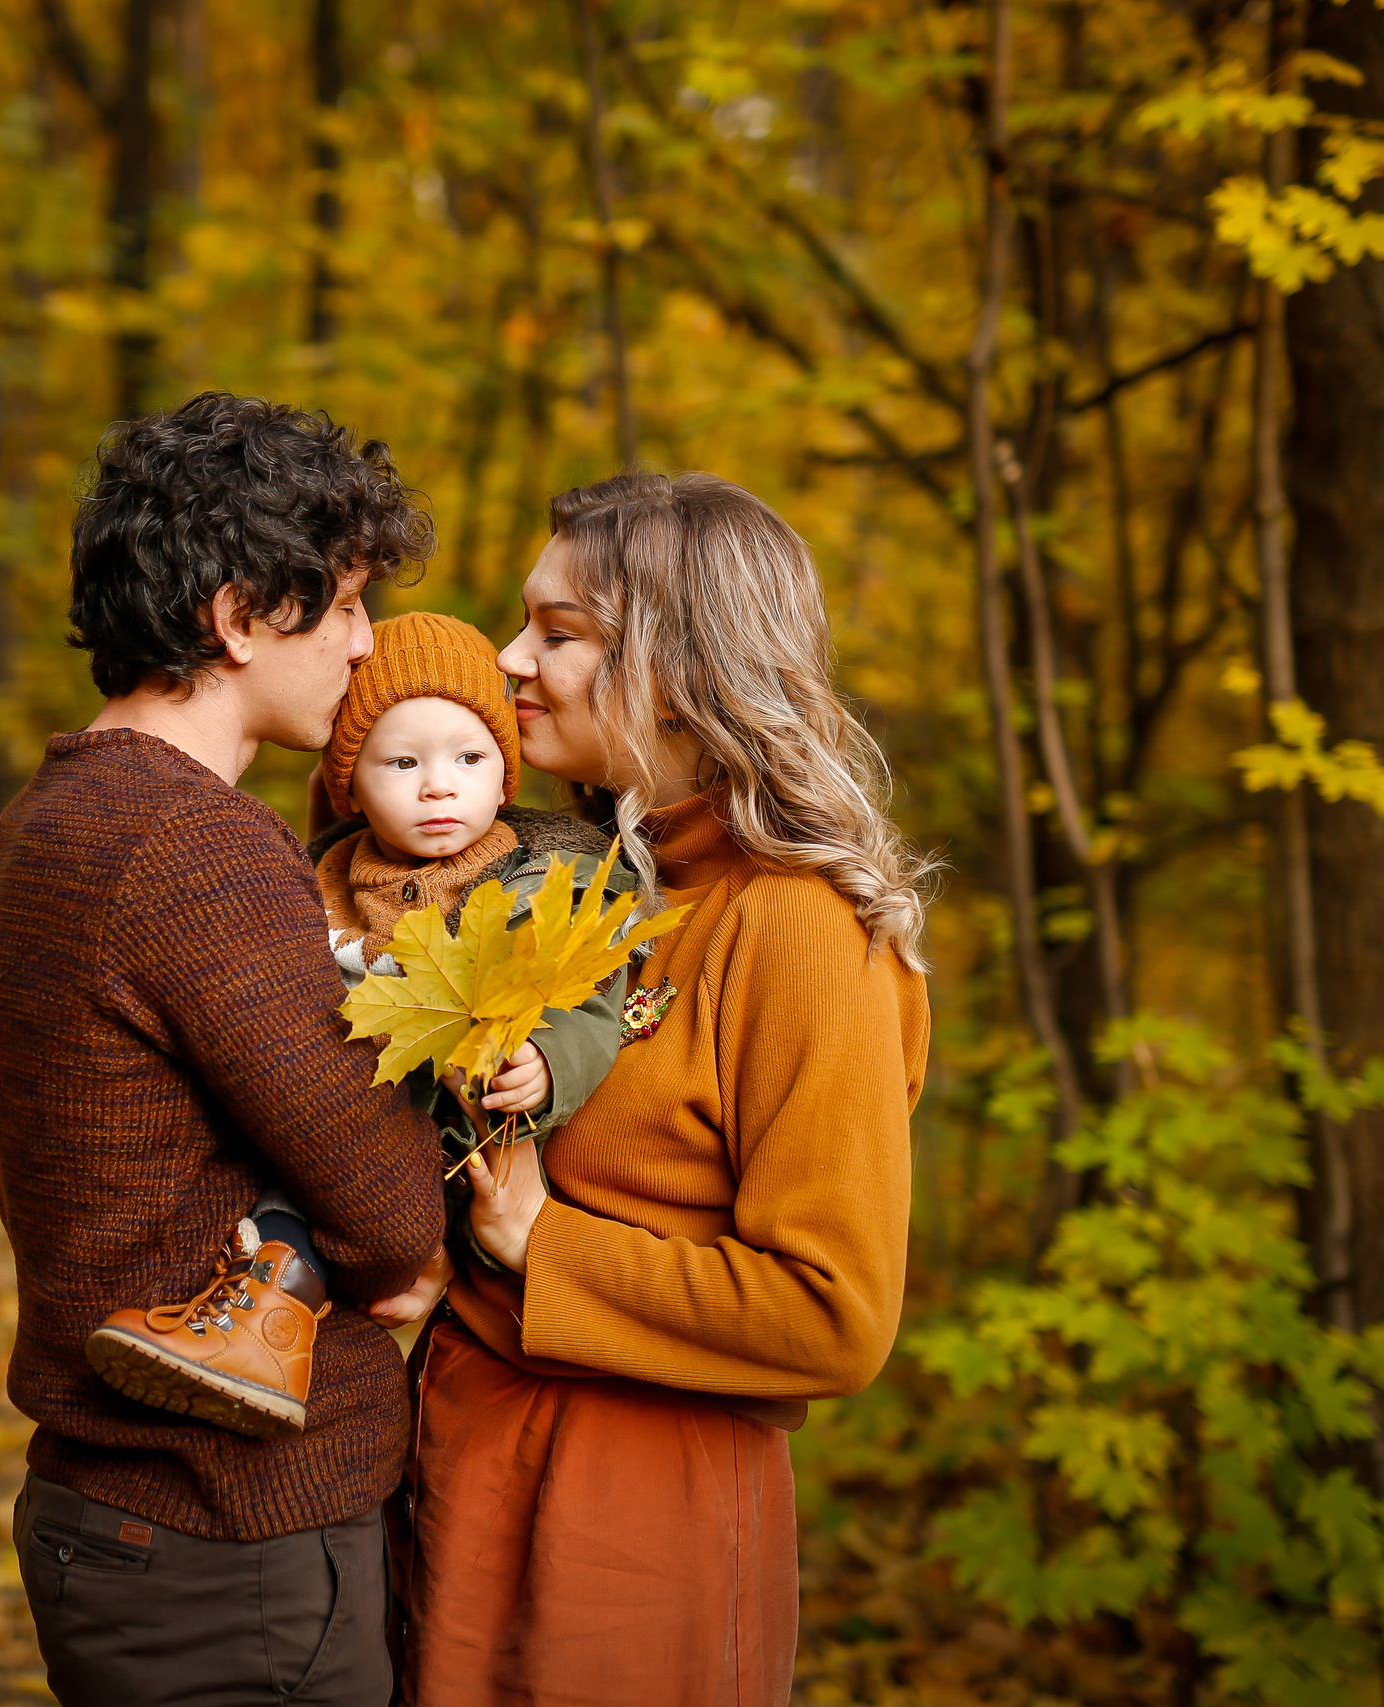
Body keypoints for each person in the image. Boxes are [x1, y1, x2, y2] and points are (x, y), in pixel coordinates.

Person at [397, 472, 936, 1707]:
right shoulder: (576, 883)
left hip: (627, 1524)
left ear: (685, 668)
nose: (506, 656)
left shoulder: (800, 932)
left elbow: (833, 1314)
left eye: (560, 632)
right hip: (461, 1473)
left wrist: (548, 1248)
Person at [0, 393, 448, 1707]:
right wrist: (398, 1242)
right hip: (229, 1538)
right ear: (238, 616)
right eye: (342, 604)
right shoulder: (192, 848)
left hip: (130, 1519)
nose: (364, 644)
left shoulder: (57, 813)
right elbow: (392, 1200)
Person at [84, 612, 637, 1436]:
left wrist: (549, 1063)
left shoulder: (543, 879)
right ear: (351, 782)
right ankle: (257, 1321)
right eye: (402, 762)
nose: (438, 785)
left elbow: (593, 1005)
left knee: (338, 1182)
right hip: (332, 1105)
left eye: (469, 759)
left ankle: (265, 1320)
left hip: (458, 1132)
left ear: (505, 774)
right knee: (281, 1183)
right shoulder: (318, 872)